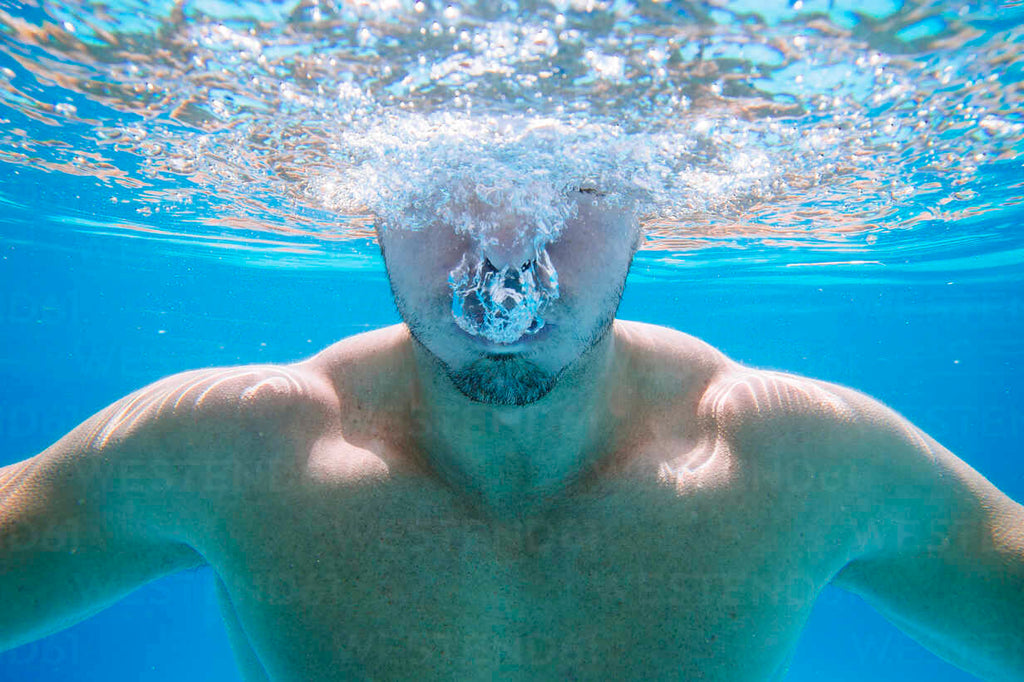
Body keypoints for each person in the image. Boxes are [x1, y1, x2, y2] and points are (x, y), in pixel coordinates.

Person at [0, 190, 1021, 682]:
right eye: (441, 193)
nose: (503, 254)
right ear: (372, 207)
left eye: (573, 194)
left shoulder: (792, 460)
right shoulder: (234, 449)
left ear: (642, 208)